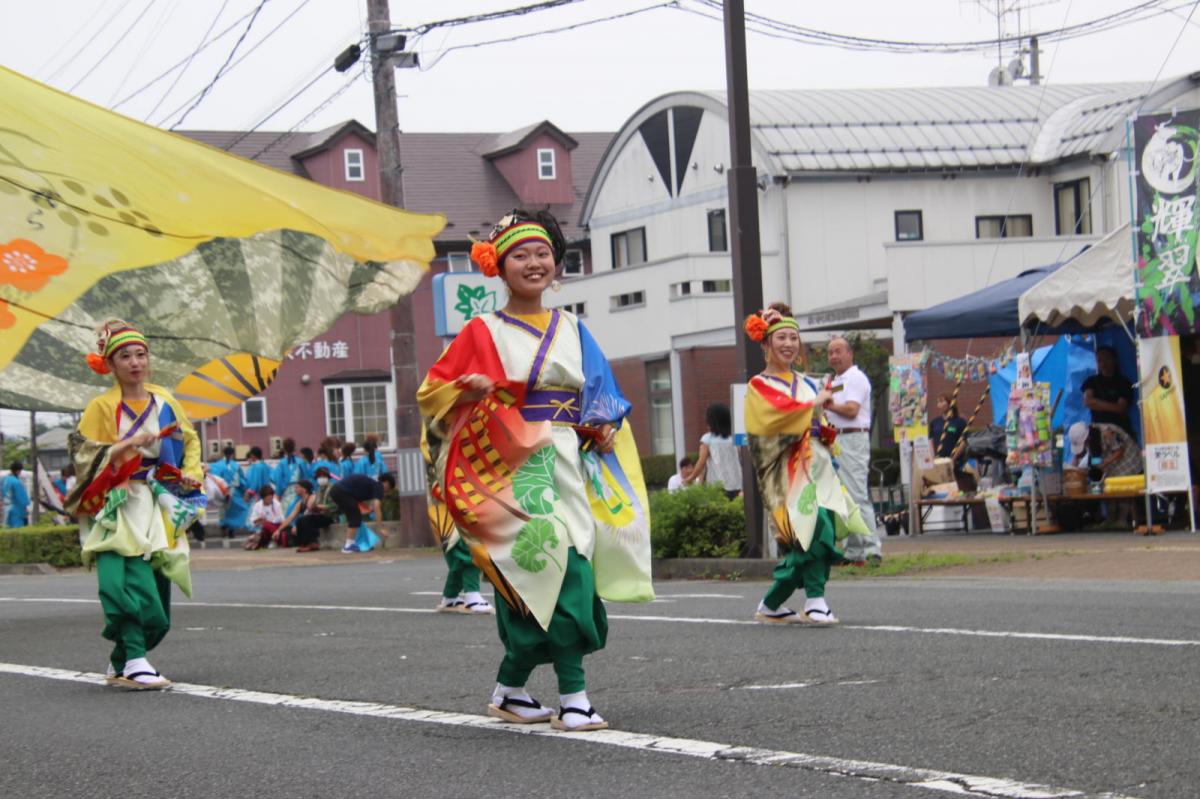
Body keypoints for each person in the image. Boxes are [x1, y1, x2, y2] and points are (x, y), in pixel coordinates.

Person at [418, 209, 653, 732]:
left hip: (567, 459)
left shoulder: (574, 327)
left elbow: (601, 394)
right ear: (499, 267)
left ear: (556, 263)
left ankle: (510, 689)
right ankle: (574, 698)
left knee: (568, 565)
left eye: (542, 253)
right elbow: (432, 392)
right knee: (546, 567)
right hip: (509, 465)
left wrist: (603, 425)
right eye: (520, 254)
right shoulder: (482, 330)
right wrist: (468, 389)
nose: (533, 263)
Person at [64, 319, 204, 690]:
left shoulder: (164, 401)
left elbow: (189, 441)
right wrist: (124, 447)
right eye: (125, 356)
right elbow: (82, 454)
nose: (135, 362)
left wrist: (189, 475)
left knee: (159, 590)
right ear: (110, 364)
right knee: (125, 581)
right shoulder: (101, 406)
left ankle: (123, 659)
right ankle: (136, 660)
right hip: (117, 503)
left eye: (140, 354)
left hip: (157, 501)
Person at [743, 305, 871, 624]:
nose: (789, 344)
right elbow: (777, 416)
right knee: (812, 529)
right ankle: (814, 601)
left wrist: (824, 430)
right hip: (785, 469)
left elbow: (818, 417)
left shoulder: (806, 382)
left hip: (818, 466)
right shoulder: (759, 385)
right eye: (781, 338)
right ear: (766, 344)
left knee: (821, 528)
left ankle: (773, 603)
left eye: (793, 338)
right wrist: (814, 405)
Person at [823, 336, 882, 563]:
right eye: (830, 352)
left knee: (856, 494)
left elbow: (851, 410)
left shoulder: (856, 377)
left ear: (850, 353)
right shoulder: (836, 380)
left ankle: (872, 549)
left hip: (852, 438)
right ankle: (853, 551)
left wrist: (829, 405)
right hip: (835, 439)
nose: (834, 356)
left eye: (838, 351)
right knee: (843, 497)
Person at [686, 404, 742, 499]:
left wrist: (691, 477)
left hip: (717, 486)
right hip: (737, 484)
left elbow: (701, 462)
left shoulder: (708, 439)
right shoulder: (734, 438)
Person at [1082, 345, 1135, 435]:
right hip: (1099, 431)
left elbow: (1121, 408)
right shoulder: (1091, 381)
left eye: (1107, 358)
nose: (1104, 363)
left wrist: (1096, 402)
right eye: (1099, 360)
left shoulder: (1124, 382)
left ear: (1114, 359)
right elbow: (1087, 402)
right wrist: (1110, 405)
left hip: (1120, 431)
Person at [328, 472, 384, 553]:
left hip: (335, 491)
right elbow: (377, 506)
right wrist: (381, 527)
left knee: (354, 517)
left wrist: (368, 508)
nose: (385, 492)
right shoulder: (379, 486)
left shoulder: (370, 482)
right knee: (355, 517)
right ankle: (349, 545)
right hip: (342, 492)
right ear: (386, 483)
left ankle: (353, 543)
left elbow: (359, 499)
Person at [279, 473, 335, 553]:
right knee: (300, 521)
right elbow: (291, 517)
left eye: (297, 487)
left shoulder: (313, 496)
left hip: (327, 516)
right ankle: (303, 544)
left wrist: (296, 526)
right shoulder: (301, 502)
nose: (295, 489)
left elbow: (310, 511)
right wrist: (278, 530)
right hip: (316, 517)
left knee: (305, 520)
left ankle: (311, 543)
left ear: (304, 489)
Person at [210, 445, 248, 537]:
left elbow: (213, 478)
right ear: (232, 454)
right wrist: (243, 490)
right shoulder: (236, 466)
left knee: (223, 510)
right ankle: (231, 530)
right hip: (234, 491)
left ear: (223, 453)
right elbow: (241, 480)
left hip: (222, 490)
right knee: (235, 511)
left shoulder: (217, 465)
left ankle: (223, 528)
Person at [272, 437, 306, 522]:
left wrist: (278, 493)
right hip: (300, 489)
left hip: (286, 491)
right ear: (294, 447)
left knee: (286, 512)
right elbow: (306, 477)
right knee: (298, 511)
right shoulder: (300, 461)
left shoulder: (282, 463)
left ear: (284, 449)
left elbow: (279, 480)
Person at [246, 484, 285, 550]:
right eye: (267, 498)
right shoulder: (257, 505)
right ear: (263, 498)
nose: (269, 500)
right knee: (263, 528)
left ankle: (274, 540)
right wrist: (258, 520)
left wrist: (270, 521)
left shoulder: (277, 504)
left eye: (270, 498)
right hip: (261, 528)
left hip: (275, 527)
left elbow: (282, 518)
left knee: (267, 525)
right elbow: (252, 519)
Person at [3, 461, 30, 528]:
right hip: (16, 509)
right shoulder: (16, 482)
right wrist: (26, 507)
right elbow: (22, 498)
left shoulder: (4, 480)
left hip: (5, 508)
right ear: (18, 471)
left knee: (7, 528)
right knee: (17, 528)